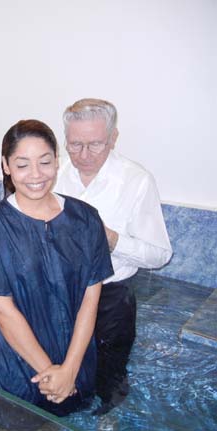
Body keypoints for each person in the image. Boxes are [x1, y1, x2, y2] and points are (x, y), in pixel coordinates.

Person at [0, 119, 113, 419]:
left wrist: (70, 370)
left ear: (57, 162)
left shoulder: (85, 219)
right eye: (22, 164)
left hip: (74, 367)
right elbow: (3, 313)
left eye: (45, 162)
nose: (36, 175)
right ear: (6, 166)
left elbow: (90, 299)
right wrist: (50, 374)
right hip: (16, 372)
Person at [54, 98, 173, 414]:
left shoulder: (136, 181)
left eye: (95, 145)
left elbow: (160, 255)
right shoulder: (55, 174)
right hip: (62, 291)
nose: (83, 155)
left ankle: (109, 416)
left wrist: (111, 239)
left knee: (110, 375)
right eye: (74, 145)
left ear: (113, 137)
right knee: (64, 365)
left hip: (112, 296)